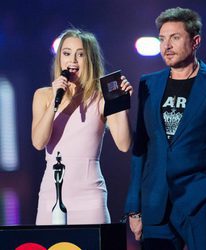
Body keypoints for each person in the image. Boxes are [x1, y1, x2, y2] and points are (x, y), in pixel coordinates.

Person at [124, 7, 206, 250]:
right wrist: (134, 207)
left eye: (175, 37)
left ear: (195, 41)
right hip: (155, 206)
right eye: (162, 38)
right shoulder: (148, 84)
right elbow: (141, 147)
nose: (166, 45)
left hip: (201, 203)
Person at [32, 28, 133, 225]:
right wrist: (55, 100)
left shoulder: (102, 97)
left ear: (90, 59)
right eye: (67, 53)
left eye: (80, 55)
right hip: (51, 196)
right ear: (59, 57)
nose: (73, 61)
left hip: (90, 197)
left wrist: (123, 106)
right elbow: (38, 142)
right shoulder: (43, 95)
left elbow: (124, 144)